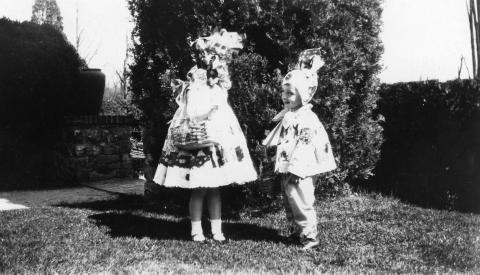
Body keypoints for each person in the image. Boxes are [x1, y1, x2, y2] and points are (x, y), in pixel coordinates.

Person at [153, 29, 257, 242]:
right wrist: (206, 114)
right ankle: (196, 229)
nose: (218, 69)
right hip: (199, 140)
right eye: (215, 63)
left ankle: (218, 230)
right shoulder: (196, 82)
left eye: (220, 64)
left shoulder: (218, 85)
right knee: (199, 188)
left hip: (217, 140)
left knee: (215, 189)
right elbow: (191, 111)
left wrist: (217, 110)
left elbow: (222, 107)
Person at [263, 49, 337, 250]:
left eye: (290, 93)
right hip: (288, 167)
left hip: (301, 169)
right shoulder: (289, 114)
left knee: (302, 200)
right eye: (283, 91)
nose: (284, 96)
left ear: (303, 94)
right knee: (290, 201)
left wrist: (297, 169)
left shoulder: (306, 118)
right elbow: (280, 138)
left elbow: (305, 143)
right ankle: (297, 233)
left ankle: (310, 237)